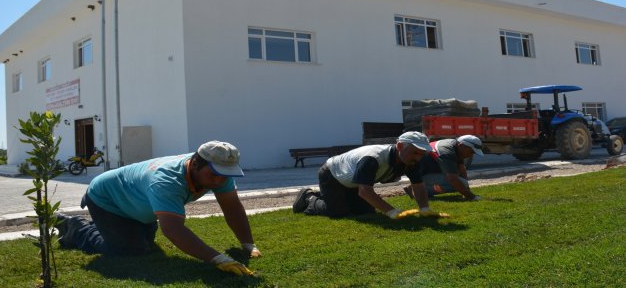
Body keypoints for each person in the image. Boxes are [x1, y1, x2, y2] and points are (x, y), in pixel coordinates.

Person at [56, 141, 260, 276]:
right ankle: (75, 227)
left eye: (226, 174)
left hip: (136, 204)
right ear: (196, 163)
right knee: (131, 250)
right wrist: (219, 259)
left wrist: (248, 245)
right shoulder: (167, 180)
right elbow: (173, 230)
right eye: (215, 174)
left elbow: (232, 207)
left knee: (146, 245)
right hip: (108, 199)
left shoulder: (217, 173)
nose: (220, 180)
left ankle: (111, 227)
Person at [292, 131, 450, 219]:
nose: (418, 157)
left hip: (354, 183)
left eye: (422, 154)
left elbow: (418, 185)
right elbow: (365, 191)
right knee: (339, 213)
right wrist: (392, 212)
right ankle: (309, 198)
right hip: (332, 175)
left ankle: (333, 196)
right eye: (415, 152)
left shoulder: (411, 160)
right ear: (401, 146)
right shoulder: (373, 158)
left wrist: (424, 209)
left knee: (365, 213)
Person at [410, 135, 484, 201]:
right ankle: (417, 190)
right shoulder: (447, 152)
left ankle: (417, 188)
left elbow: (461, 168)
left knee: (462, 183)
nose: (471, 156)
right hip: (420, 176)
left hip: (425, 173)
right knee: (458, 183)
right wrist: (472, 197)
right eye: (471, 152)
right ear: (462, 146)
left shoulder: (456, 146)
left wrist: (467, 191)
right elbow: (452, 179)